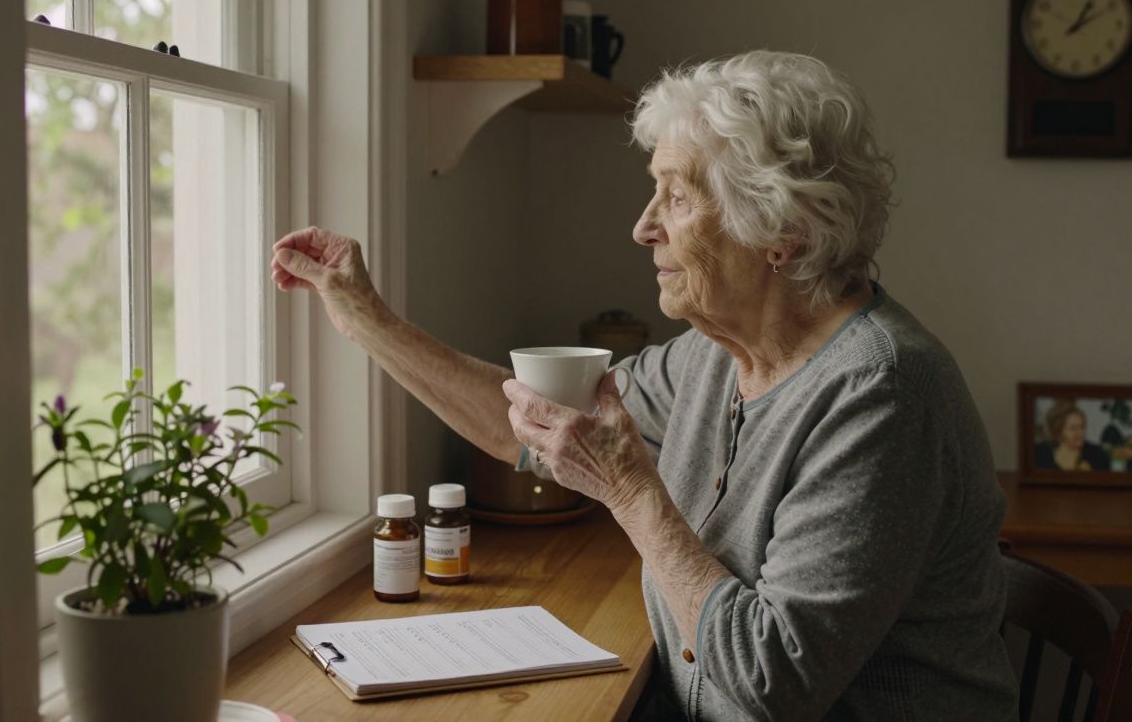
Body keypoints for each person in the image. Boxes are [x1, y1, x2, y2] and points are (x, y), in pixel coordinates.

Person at [270, 51, 1017, 720]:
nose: (643, 227)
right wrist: (368, 322)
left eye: (677, 197)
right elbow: (537, 426)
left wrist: (631, 493)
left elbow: (774, 684)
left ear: (778, 230)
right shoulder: (712, 355)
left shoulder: (881, 396)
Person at [1035, 400, 1111, 471]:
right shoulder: (1040, 453)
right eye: (1073, 428)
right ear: (1059, 431)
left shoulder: (1097, 454)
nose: (1080, 433)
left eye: (1082, 427)